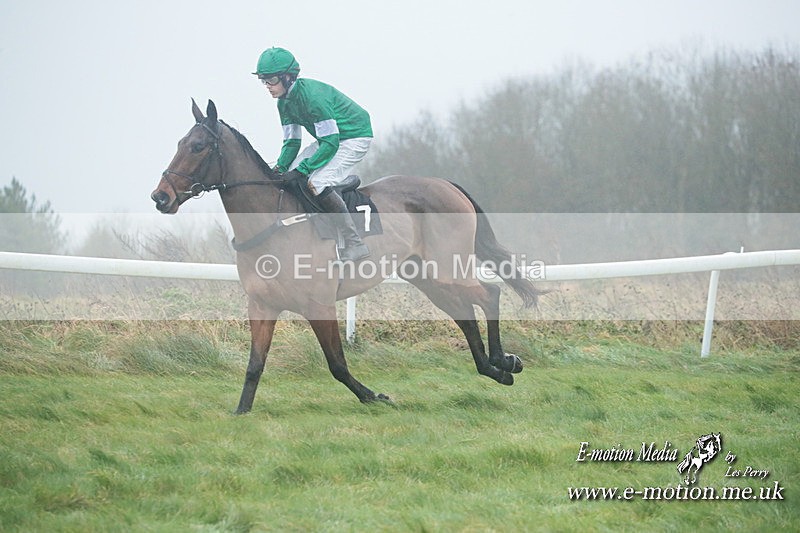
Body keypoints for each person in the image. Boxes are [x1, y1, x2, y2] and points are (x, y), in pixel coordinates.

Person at [254, 47, 372, 261]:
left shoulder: (313, 98)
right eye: (264, 81)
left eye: (271, 80)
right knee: (287, 176)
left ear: (287, 77)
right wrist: (280, 168)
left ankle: (354, 243)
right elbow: (292, 142)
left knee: (316, 182)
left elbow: (331, 142)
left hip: (355, 136)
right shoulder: (283, 102)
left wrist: (304, 169)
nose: (268, 87)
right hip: (330, 138)